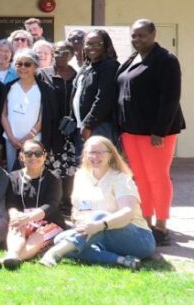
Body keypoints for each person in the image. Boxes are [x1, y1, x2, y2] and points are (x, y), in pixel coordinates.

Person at [116, 19, 185, 246]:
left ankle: (162, 225)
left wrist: (160, 130)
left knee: (158, 177)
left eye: (142, 35)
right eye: (134, 36)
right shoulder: (131, 58)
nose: (137, 40)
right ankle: (145, 221)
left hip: (156, 133)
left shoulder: (165, 59)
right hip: (131, 131)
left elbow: (171, 97)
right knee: (141, 178)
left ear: (153, 34)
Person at [39, 136, 154, 270]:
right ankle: (121, 260)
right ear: (85, 155)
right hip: (99, 236)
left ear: (110, 155)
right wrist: (82, 224)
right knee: (60, 240)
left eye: (100, 152)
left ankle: (54, 253)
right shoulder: (81, 176)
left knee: (98, 216)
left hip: (137, 238)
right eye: (91, 152)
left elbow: (127, 212)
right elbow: (77, 209)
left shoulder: (121, 178)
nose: (95, 156)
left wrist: (99, 224)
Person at [0, 139, 65, 270]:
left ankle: (7, 259)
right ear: (21, 156)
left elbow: (52, 205)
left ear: (44, 156)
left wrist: (29, 218)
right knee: (16, 225)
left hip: (50, 221)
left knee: (38, 235)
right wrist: (15, 215)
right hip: (24, 220)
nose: (33, 157)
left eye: (38, 153)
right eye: (29, 153)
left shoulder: (54, 178)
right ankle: (12, 255)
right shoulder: (13, 177)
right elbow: (11, 202)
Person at [1, 49, 58, 171]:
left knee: (33, 171)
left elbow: (45, 117)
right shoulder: (8, 87)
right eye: (19, 64)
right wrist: (12, 138)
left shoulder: (44, 89)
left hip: (34, 140)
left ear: (35, 67)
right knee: (12, 172)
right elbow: (3, 115)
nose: (23, 68)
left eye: (27, 64)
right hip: (11, 141)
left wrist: (28, 137)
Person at [72, 30, 119, 146]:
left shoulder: (109, 66)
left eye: (97, 44)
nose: (92, 47)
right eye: (88, 44)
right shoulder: (88, 67)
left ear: (106, 45)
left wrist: (88, 124)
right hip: (82, 126)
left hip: (99, 127)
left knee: (100, 163)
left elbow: (104, 99)